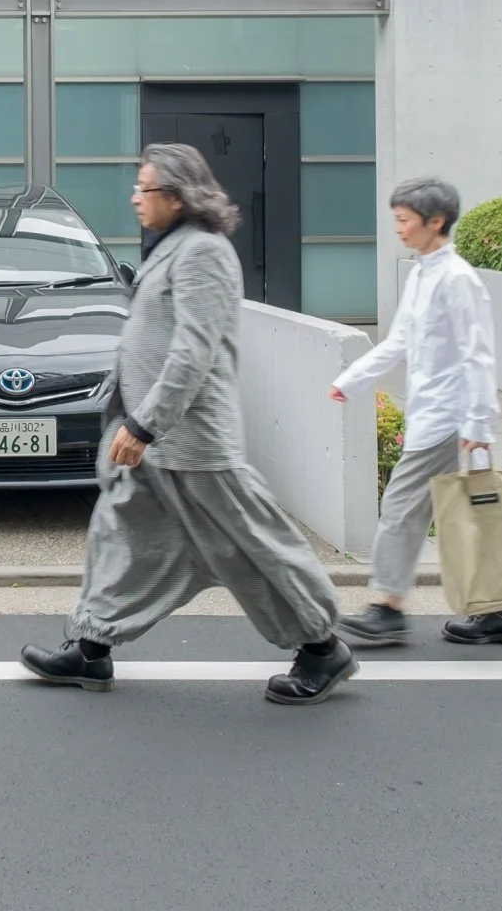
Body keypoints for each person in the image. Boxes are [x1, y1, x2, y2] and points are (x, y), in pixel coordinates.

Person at [21, 144, 356, 707]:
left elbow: (192, 351)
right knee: (121, 534)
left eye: (144, 189)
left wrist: (146, 424)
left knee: (252, 544)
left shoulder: (203, 253)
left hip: (194, 442)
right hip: (154, 443)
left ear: (176, 197)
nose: (135, 198)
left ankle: (323, 647)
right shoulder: (173, 248)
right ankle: (91, 646)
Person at [326, 175, 502, 647]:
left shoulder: (457, 280)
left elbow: (479, 353)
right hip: (436, 411)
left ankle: (387, 609)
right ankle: (497, 611)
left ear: (436, 222)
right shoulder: (422, 273)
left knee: (400, 506)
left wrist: (478, 423)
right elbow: (400, 341)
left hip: (450, 416)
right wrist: (351, 380)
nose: (399, 228)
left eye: (404, 220)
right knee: (464, 510)